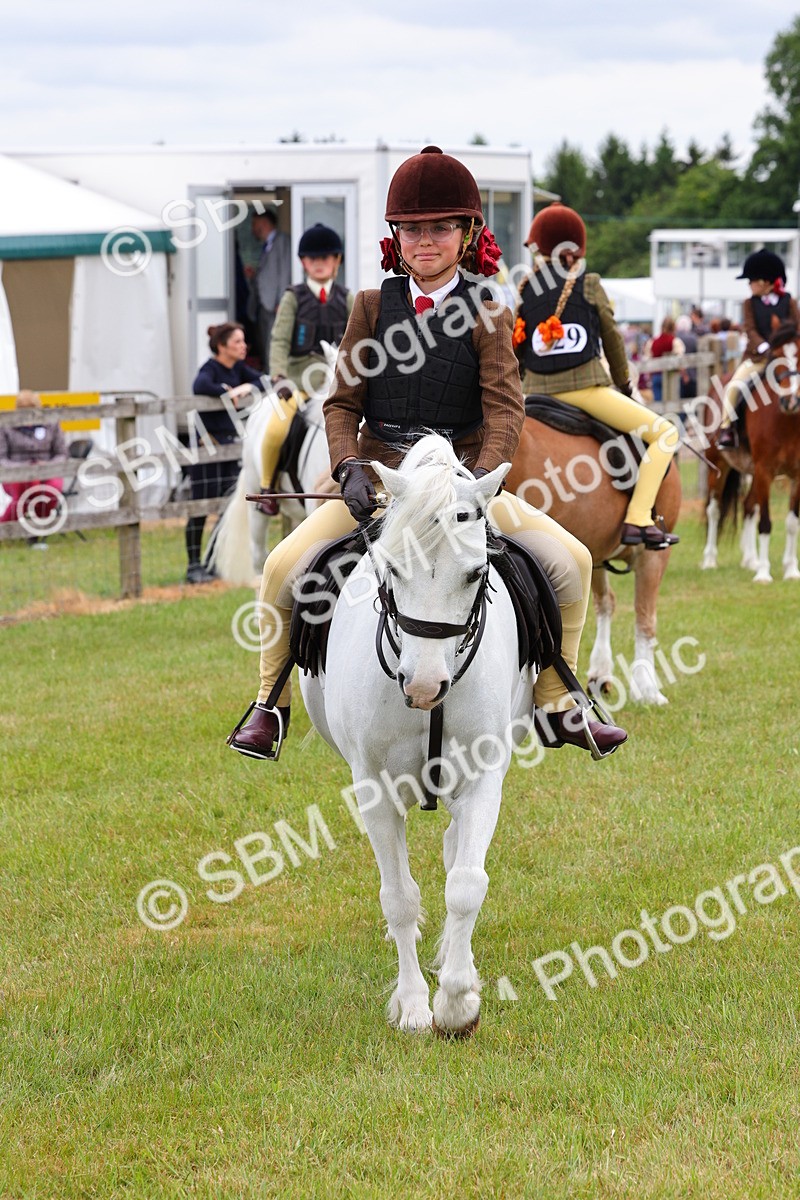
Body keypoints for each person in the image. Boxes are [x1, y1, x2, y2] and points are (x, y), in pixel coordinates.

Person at [228, 146, 627, 763]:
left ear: (466, 233)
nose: (425, 241)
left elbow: (506, 408)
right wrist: (348, 467)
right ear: (397, 236)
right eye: (412, 229)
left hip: (462, 488)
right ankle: (268, 708)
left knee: (571, 561)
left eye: (440, 228)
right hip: (383, 485)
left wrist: (475, 481)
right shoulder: (368, 306)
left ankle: (556, 702)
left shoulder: (491, 310)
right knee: (282, 568)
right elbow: (339, 405)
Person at [515, 204, 680, 550]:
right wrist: (624, 385)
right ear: (576, 249)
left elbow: (517, 347)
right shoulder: (589, 284)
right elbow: (612, 339)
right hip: (585, 390)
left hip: (533, 397)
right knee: (665, 433)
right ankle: (638, 518)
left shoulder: (526, 288)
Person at [256, 223, 355, 515]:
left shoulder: (348, 298)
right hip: (299, 381)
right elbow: (279, 339)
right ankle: (267, 488)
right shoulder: (292, 297)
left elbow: (358, 341)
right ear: (303, 263)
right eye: (313, 259)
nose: (320, 264)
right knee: (277, 427)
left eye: (326, 258)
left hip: (338, 381)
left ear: (337, 261)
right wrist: (278, 376)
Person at [188, 323, 265, 583]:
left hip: (232, 448)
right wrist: (226, 391)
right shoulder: (210, 369)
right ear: (222, 346)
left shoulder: (239, 369)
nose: (243, 347)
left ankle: (212, 562)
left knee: (225, 508)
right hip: (207, 448)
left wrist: (243, 389)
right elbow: (200, 386)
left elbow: (263, 380)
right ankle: (193, 565)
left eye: (243, 341)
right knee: (199, 507)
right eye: (237, 342)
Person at [717, 250, 799, 449]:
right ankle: (727, 429)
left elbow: (797, 328)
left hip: (786, 360)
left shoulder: (789, 301)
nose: (749, 285)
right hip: (759, 359)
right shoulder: (749, 303)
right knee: (734, 387)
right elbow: (750, 328)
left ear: (763, 282)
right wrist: (765, 346)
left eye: (750, 280)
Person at [0, 390, 68, 543]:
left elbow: (62, 454)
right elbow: (2, 458)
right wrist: (24, 468)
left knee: (51, 490)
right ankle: (4, 529)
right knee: (29, 487)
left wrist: (46, 466)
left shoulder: (52, 424)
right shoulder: (6, 426)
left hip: (47, 472)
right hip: (16, 475)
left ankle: (34, 533)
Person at [247, 207, 291, 369]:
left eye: (254, 224)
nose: (252, 229)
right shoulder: (267, 246)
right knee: (265, 343)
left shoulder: (282, 241)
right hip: (265, 305)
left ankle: (274, 377)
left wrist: (282, 299)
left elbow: (285, 271)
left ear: (264, 223)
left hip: (275, 304)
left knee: (274, 343)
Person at [646, 316, 684, 407]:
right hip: (671, 376)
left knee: (658, 404)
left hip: (656, 375)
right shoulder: (675, 342)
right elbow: (679, 360)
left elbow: (648, 358)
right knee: (672, 404)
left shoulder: (652, 342)